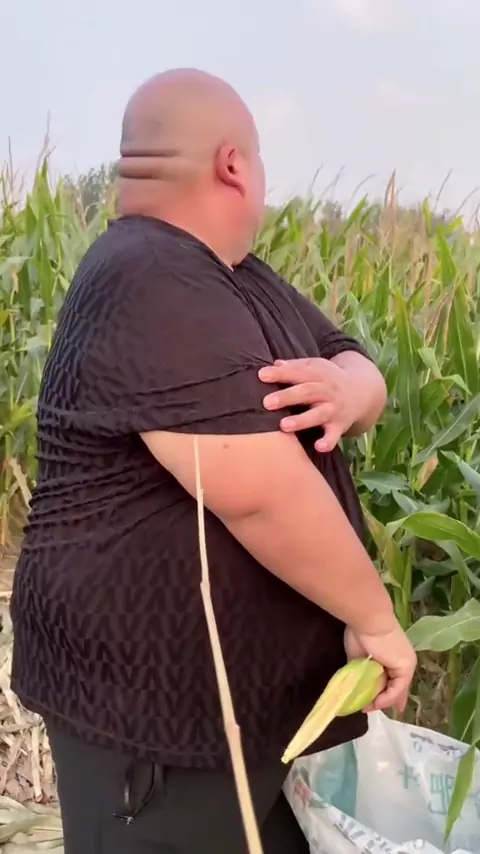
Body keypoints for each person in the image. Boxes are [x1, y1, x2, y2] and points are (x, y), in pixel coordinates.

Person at [10, 69, 416, 854]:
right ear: (234, 164)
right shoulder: (146, 273)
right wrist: (374, 619)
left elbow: (355, 360)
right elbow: (255, 490)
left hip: (245, 716)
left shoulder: (232, 275)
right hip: (156, 723)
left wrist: (347, 387)